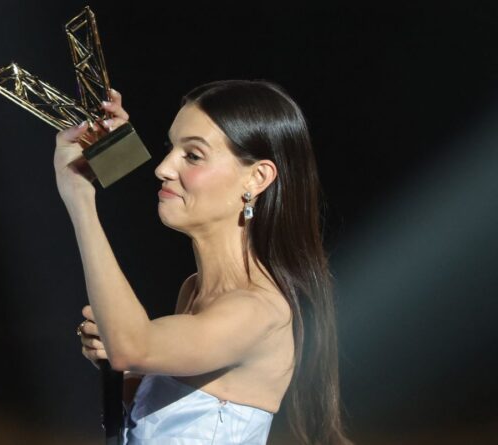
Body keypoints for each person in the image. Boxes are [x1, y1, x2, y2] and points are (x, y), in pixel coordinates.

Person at [57, 81, 352, 445]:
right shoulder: (194, 289)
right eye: (170, 148)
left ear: (257, 177)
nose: (163, 168)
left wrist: (79, 197)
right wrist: (116, 359)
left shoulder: (258, 310)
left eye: (193, 155)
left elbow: (133, 346)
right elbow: (155, 421)